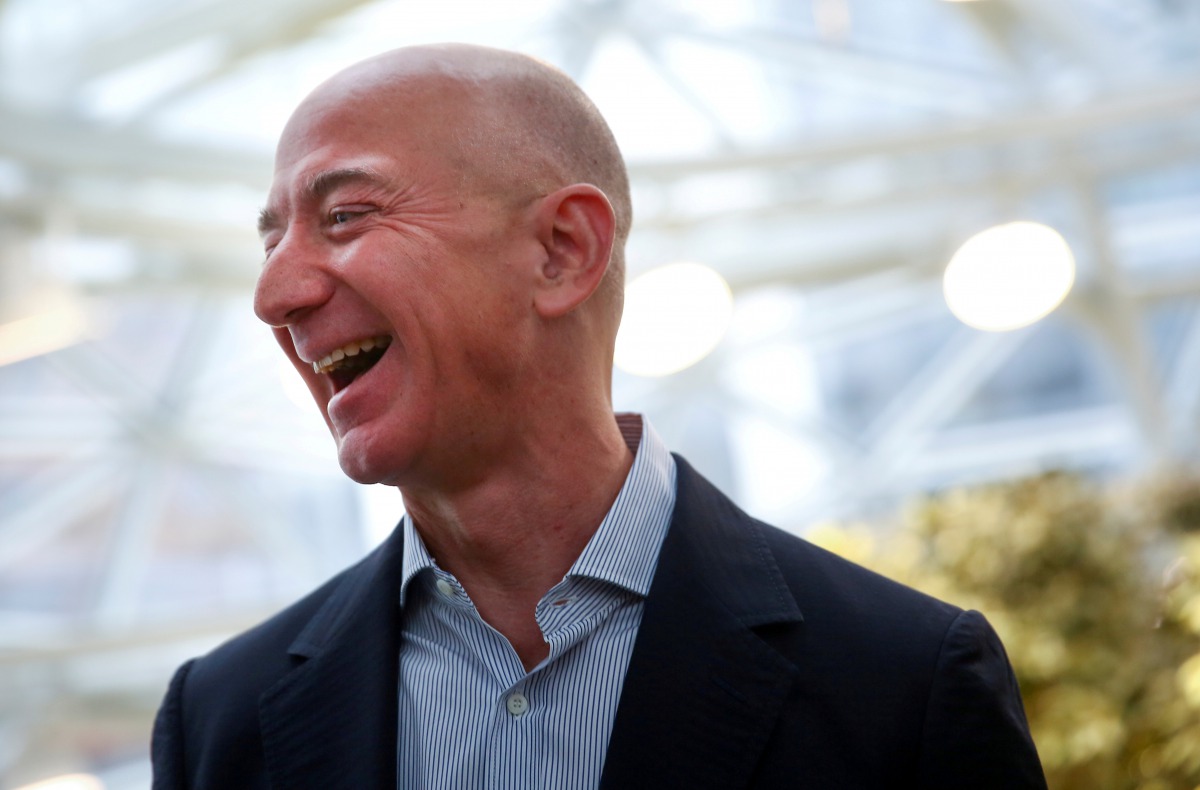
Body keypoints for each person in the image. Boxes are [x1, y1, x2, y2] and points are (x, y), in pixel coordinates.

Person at [150, 43, 1046, 789]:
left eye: (345, 215)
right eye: (271, 241)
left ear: (562, 250)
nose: (276, 294)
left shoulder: (903, 683)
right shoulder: (219, 725)